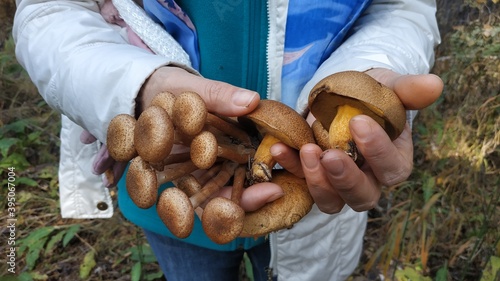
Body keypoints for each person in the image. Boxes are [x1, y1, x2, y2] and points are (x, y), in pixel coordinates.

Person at [13, 0, 444, 280]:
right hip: (173, 189)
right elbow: (51, 11)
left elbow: (401, 8)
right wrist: (139, 88)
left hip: (316, 204)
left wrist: (371, 70)